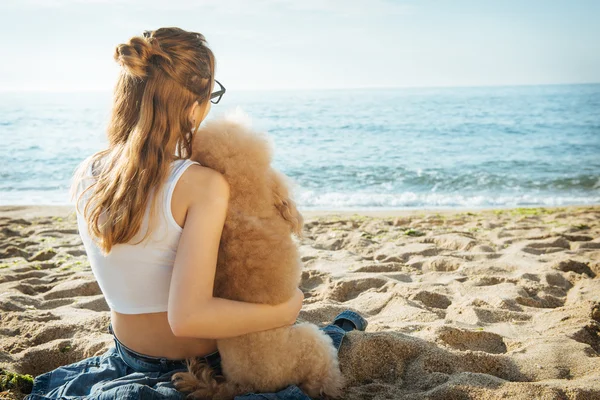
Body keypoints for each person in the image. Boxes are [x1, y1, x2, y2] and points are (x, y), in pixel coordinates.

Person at [25, 27, 367, 400]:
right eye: (211, 96)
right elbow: (189, 317)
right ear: (193, 106)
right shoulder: (200, 184)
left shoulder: (88, 171)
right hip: (197, 363)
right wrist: (285, 311)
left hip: (128, 355)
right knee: (310, 337)